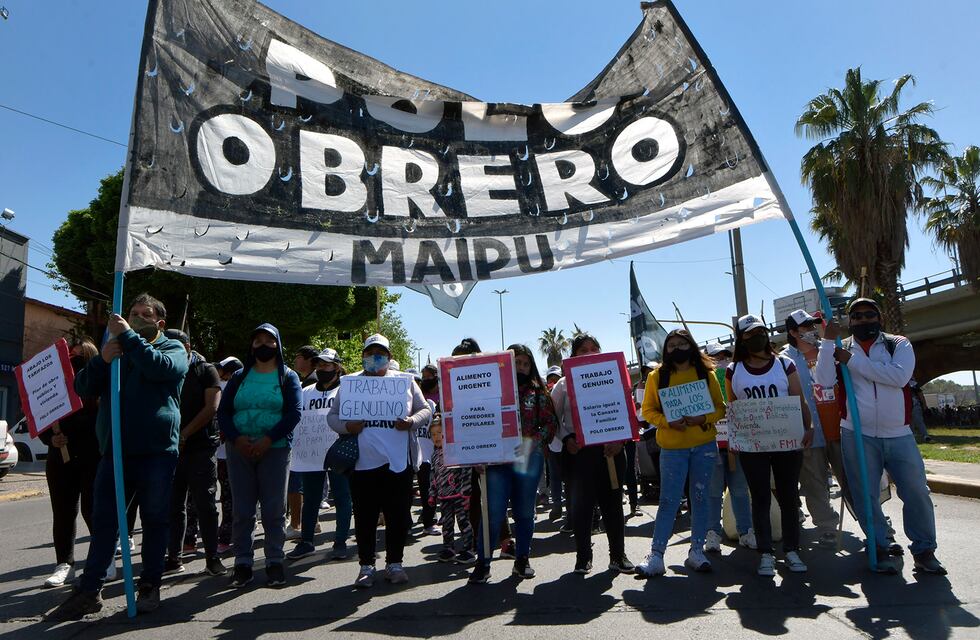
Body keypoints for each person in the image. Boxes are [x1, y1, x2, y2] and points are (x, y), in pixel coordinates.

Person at [49, 293, 188, 619]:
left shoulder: (173, 348)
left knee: (154, 521)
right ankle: (90, 590)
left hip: (156, 452)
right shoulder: (116, 351)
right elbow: (83, 387)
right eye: (133, 313)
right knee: (105, 523)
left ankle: (150, 585)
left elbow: (160, 369)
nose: (137, 318)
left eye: (145, 314)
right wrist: (103, 360)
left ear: (160, 323)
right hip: (115, 452)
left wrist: (126, 337)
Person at [814, 298, 946, 575]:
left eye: (869, 315)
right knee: (865, 494)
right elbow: (824, 381)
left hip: (898, 433)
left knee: (917, 491)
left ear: (879, 317)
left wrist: (853, 362)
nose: (863, 320)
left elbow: (898, 378)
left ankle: (924, 550)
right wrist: (827, 343)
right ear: (850, 321)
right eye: (857, 316)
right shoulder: (840, 346)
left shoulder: (897, 344)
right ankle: (879, 544)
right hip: (857, 433)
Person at [327, 334, 432, 589]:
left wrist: (411, 422)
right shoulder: (351, 384)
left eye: (380, 353)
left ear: (389, 356)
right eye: (370, 352)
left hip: (398, 463)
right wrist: (347, 426)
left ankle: (395, 564)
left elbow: (425, 409)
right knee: (365, 516)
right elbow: (332, 417)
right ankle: (366, 566)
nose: (375, 357)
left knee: (397, 516)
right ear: (362, 356)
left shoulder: (405, 382)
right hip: (362, 464)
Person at [726, 314, 813, 577]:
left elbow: (799, 399)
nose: (757, 338)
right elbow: (733, 407)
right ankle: (765, 553)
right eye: (750, 335)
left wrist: (808, 427)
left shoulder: (784, 365)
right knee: (760, 498)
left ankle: (792, 549)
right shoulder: (734, 371)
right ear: (741, 339)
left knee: (788, 496)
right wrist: (734, 439)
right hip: (754, 446)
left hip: (787, 441)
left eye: (760, 332)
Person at [217, 323, 302, 589]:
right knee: (242, 509)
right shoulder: (240, 377)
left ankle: (274, 561)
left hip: (275, 450)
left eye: (269, 340)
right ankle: (242, 563)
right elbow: (223, 412)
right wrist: (236, 438)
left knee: (274, 509)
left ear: (278, 345)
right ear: (251, 345)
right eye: (257, 341)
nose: (262, 345)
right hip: (238, 450)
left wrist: (268, 439)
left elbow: (294, 413)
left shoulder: (287, 377)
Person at [636, 330, 725, 577]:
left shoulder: (706, 375)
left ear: (691, 346)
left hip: (704, 447)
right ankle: (656, 555)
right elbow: (648, 411)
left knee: (700, 498)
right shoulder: (657, 376)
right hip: (672, 450)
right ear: (666, 350)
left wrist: (702, 418)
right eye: (671, 345)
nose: (676, 348)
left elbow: (720, 408)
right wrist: (667, 422)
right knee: (668, 501)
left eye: (681, 343)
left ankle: (696, 551)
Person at [468, 344, 558, 584]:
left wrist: (532, 443)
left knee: (525, 513)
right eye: (517, 362)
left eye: (526, 363)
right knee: (494, 512)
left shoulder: (539, 392)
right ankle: (483, 563)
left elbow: (550, 425)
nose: (521, 367)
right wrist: (476, 454)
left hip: (528, 460)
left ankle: (522, 559)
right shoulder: (489, 390)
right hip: (496, 461)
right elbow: (475, 422)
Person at [551, 333, 635, 575]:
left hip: (612, 452)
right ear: (574, 355)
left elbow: (627, 412)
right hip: (579, 454)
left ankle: (618, 556)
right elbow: (552, 419)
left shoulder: (615, 376)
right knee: (581, 507)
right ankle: (583, 557)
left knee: (613, 505)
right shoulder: (563, 384)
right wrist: (567, 439)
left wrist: (620, 440)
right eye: (583, 349)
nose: (589, 352)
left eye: (593, 348)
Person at [782, 310, 850, 546]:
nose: (811, 330)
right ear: (792, 332)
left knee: (852, 479)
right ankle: (827, 525)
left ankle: (873, 524)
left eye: (812, 325)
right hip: (808, 433)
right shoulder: (784, 361)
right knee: (814, 484)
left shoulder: (830, 350)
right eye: (804, 327)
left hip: (839, 428)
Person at [163, 330, 226, 577]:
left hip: (200, 448)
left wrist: (185, 434)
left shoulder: (205, 370)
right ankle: (173, 557)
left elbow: (212, 407)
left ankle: (212, 558)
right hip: (170, 450)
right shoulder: (165, 369)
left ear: (187, 347)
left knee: (205, 505)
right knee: (173, 506)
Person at [40, 340, 101, 589]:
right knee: (63, 512)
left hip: (92, 457)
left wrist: (72, 430)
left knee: (93, 510)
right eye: (69, 357)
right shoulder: (53, 387)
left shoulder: (98, 384)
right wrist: (51, 438)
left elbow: (100, 418)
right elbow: (42, 417)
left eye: (78, 358)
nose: (72, 361)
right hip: (60, 459)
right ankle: (64, 564)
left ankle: (102, 560)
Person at [286, 348, 352, 561]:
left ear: (337, 367)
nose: (322, 368)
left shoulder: (347, 391)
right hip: (311, 455)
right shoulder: (306, 392)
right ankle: (306, 542)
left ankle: (340, 542)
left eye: (327, 365)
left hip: (339, 453)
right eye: (319, 365)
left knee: (342, 496)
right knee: (311, 498)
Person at [702, 344, 755, 553]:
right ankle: (712, 533)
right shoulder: (703, 381)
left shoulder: (739, 378)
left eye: (725, 356)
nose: (721, 360)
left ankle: (745, 531)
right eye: (716, 356)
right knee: (713, 492)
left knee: (740, 490)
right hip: (713, 444)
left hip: (737, 444)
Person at [428, 416, 476, 564]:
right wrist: (432, 493)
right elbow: (433, 475)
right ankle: (448, 548)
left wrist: (466, 492)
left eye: (439, 433)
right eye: (433, 434)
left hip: (459, 494)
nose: (437, 437)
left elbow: (466, 471)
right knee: (447, 524)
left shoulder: (455, 450)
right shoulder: (434, 454)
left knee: (463, 522)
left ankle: (468, 549)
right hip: (444, 496)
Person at [286, 345, 320, 540]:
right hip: (309, 441)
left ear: (309, 360)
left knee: (297, 483)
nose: (295, 361)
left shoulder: (310, 382)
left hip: (304, 442)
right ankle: (312, 521)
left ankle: (297, 523)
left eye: (298, 357)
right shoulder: (308, 381)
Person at [215, 357, 243, 554]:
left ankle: (227, 536)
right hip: (228, 451)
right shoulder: (223, 386)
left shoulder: (224, 387)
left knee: (229, 497)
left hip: (229, 451)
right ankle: (231, 534)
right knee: (233, 496)